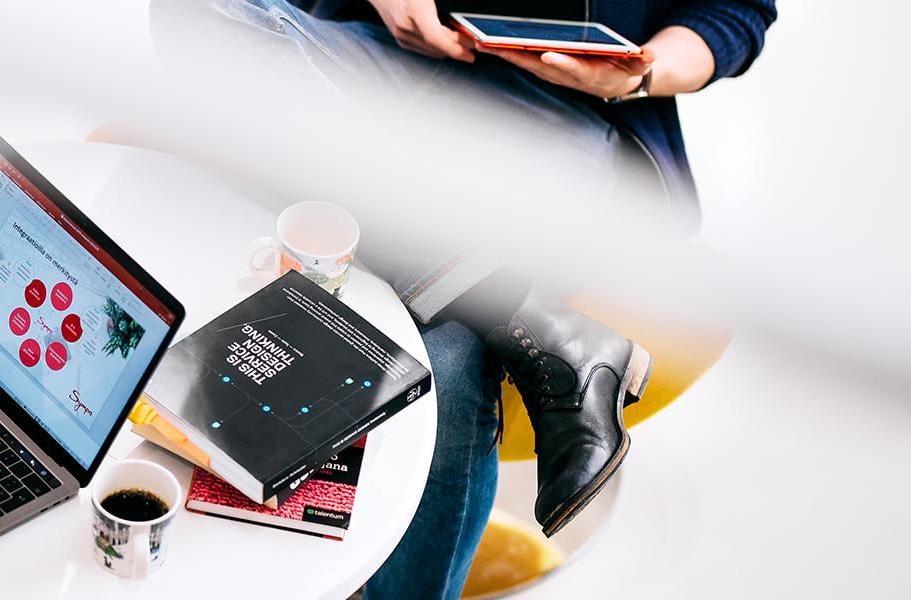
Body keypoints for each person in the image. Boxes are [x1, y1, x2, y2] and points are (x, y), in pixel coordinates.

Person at [146, 0, 774, 597]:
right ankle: (526, 319)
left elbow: (736, 11)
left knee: (445, 362)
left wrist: (635, 77)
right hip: (390, 57)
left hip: (565, 119)